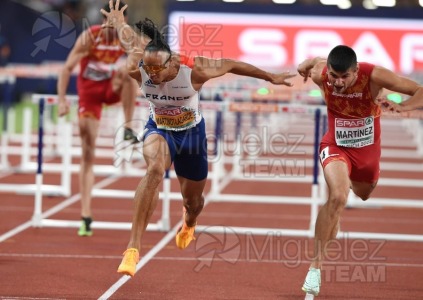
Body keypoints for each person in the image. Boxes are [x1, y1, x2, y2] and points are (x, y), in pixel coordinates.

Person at [101, 0, 296, 277]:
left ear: (173, 63)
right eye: (149, 70)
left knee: (193, 202)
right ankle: (132, 249)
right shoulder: (142, 63)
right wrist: (119, 21)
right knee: (154, 170)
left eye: (158, 70)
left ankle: (189, 222)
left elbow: (232, 65)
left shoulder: (194, 70)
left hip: (192, 136)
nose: (152, 76)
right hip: (159, 129)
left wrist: (270, 77)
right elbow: (129, 40)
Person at [297, 45, 423, 296]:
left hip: (366, 150)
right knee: (337, 196)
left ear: (356, 71)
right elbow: (314, 64)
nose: (339, 82)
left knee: (363, 194)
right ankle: (315, 268)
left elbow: (420, 89)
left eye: (346, 76)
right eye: (334, 76)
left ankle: (335, 215)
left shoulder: (375, 75)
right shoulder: (321, 73)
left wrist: (405, 107)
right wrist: (307, 62)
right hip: (335, 144)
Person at [58, 0, 139, 237]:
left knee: (128, 71)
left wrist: (125, 29)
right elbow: (66, 68)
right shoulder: (90, 37)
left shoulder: (125, 37)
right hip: (89, 94)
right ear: (103, 19)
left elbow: (142, 52)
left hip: (110, 88)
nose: (111, 28)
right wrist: (62, 99)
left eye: (117, 23)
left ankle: (127, 128)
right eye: (108, 22)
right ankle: (86, 214)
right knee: (88, 150)